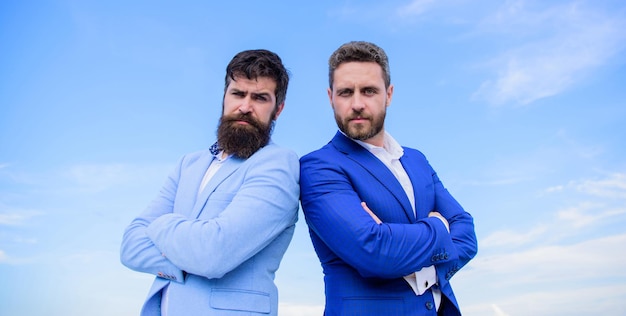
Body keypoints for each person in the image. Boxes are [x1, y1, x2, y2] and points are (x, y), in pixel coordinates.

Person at [299, 41, 478, 315]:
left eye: (369, 91)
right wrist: (437, 226)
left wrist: (404, 247)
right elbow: (374, 251)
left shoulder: (416, 160)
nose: (357, 103)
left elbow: (466, 233)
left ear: (389, 94)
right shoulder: (318, 167)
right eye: (346, 92)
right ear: (331, 97)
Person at [120, 49, 299, 316]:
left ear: (278, 109)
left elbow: (213, 253)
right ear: (225, 97)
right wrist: (187, 257)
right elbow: (131, 246)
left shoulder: (278, 164)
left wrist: (160, 224)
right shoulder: (188, 164)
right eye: (237, 94)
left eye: (260, 98)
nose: (245, 106)